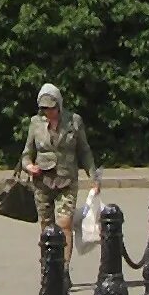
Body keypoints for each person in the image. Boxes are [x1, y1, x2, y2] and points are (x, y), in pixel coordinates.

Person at [20, 83, 95, 256]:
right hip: (42, 183)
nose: (49, 112)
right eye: (45, 108)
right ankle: (48, 266)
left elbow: (84, 151)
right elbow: (26, 154)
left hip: (67, 180)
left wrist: (93, 177)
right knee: (46, 227)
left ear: (59, 104)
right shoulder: (35, 123)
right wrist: (29, 166)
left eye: (52, 108)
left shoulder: (74, 121)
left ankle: (64, 269)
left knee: (65, 224)